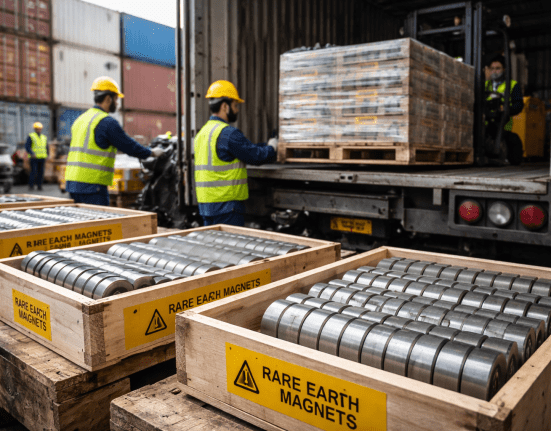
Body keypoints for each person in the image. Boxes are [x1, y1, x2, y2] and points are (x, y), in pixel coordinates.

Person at [65, 76, 164, 206]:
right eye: (116, 99)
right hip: (93, 186)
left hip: (72, 183)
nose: (117, 104)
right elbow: (128, 146)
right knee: (99, 219)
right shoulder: (107, 122)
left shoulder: (81, 119)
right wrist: (151, 153)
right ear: (108, 98)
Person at [194, 80, 277, 227]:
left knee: (212, 242)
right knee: (230, 242)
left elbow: (244, 149)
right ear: (225, 106)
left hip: (206, 206)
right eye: (235, 105)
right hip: (226, 207)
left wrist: (265, 144)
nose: (237, 110)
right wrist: (273, 147)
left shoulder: (202, 133)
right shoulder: (228, 133)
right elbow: (256, 156)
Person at [485, 55, 524, 164]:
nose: (494, 71)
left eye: (498, 68)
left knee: (512, 141)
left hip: (502, 124)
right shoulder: (485, 85)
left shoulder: (512, 85)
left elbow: (519, 105)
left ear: (504, 69)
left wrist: (506, 110)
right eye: (492, 68)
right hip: (485, 124)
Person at [25, 122, 48, 191]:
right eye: (37, 129)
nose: (39, 130)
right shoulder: (31, 136)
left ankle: (39, 186)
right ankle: (31, 186)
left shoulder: (44, 137)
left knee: (41, 173)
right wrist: (32, 153)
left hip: (42, 157)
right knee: (33, 172)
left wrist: (48, 154)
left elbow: (47, 147)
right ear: (35, 129)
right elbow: (27, 146)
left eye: (40, 129)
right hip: (34, 158)